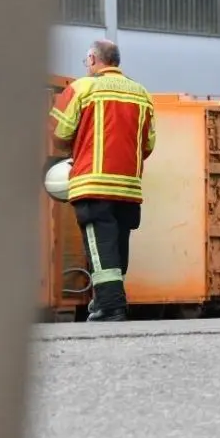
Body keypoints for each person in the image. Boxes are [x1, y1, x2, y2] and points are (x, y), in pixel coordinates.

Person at [48, 39, 156, 323]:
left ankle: (111, 306)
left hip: (93, 184)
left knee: (100, 246)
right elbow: (148, 144)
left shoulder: (82, 88)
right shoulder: (141, 93)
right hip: (128, 187)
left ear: (93, 60)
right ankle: (108, 301)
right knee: (117, 247)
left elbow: (59, 133)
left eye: (87, 61)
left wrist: (75, 149)